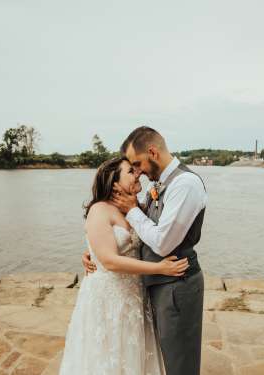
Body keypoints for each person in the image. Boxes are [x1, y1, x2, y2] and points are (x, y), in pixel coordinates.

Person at [83, 126, 208, 375]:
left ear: (152, 152)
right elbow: (122, 239)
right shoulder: (153, 187)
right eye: (132, 169)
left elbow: (162, 243)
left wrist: (132, 210)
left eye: (137, 164)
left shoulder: (185, 184)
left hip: (175, 284)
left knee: (179, 363)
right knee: (152, 359)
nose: (138, 172)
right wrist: (94, 253)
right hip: (146, 288)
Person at [59, 156, 189, 375]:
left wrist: (91, 252)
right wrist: (161, 268)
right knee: (107, 358)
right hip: (108, 298)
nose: (138, 173)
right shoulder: (100, 210)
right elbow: (109, 260)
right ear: (114, 182)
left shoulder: (135, 207)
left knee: (133, 356)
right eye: (130, 171)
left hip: (135, 297)